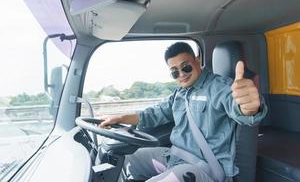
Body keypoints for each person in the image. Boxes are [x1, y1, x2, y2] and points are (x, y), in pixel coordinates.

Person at [99, 42, 267, 182]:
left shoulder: (220, 87)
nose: (181, 74)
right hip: (174, 158)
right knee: (127, 160)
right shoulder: (179, 94)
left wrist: (250, 108)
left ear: (197, 59)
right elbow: (154, 114)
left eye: (185, 67)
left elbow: (240, 107)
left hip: (205, 170)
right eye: (174, 72)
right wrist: (120, 118)